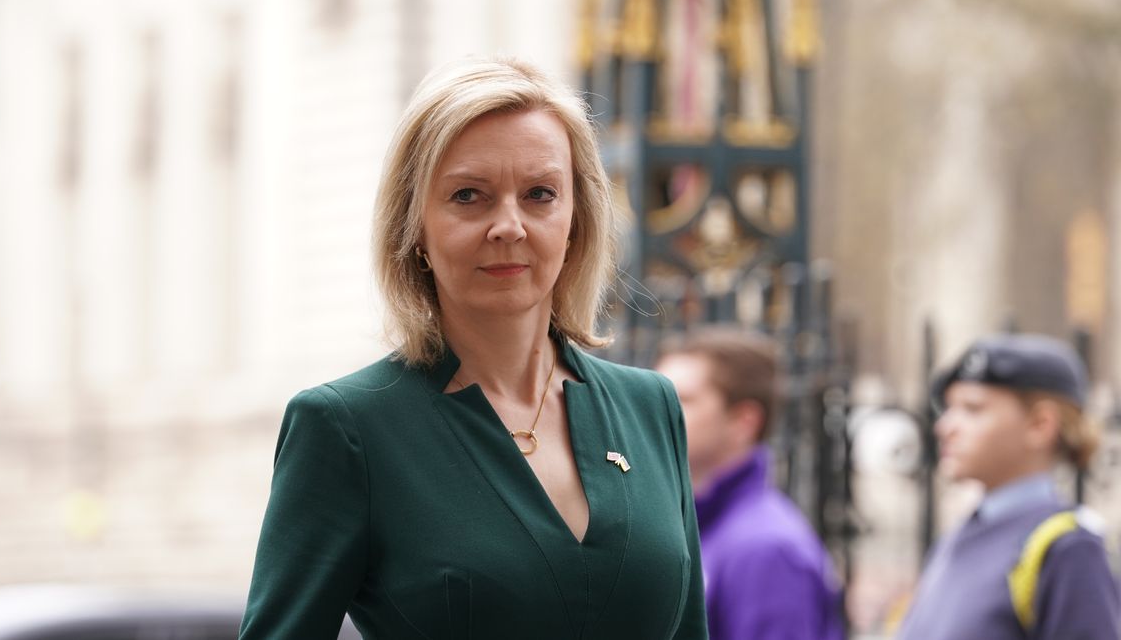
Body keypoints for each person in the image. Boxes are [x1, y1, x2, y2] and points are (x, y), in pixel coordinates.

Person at [239, 56, 708, 640]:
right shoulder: (346, 427)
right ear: (415, 227)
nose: (509, 225)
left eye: (540, 193)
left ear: (576, 220)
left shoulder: (650, 407)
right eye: (468, 195)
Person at [896, 334, 1120, 639]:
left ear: (1039, 425)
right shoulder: (962, 534)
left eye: (972, 409)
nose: (945, 427)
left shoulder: (1068, 548)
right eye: (948, 409)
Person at [656, 328, 845, 640]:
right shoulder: (693, 524)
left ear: (744, 421)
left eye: (683, 400)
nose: (658, 412)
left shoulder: (767, 551)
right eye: (657, 397)